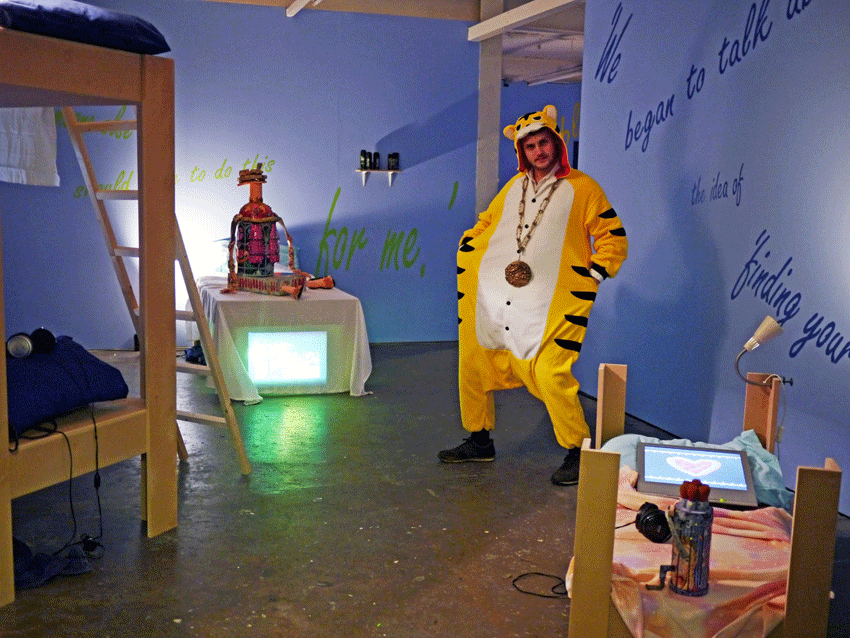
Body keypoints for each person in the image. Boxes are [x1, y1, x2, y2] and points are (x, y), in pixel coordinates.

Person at [439, 104, 628, 485]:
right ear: (521, 152)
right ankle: (479, 440)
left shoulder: (583, 188)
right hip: (497, 301)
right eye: (530, 146)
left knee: (549, 371)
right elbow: (487, 223)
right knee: (475, 364)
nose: (539, 151)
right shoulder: (512, 188)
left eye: (544, 143)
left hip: (551, 305)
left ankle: (578, 449)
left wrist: (593, 273)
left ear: (557, 143)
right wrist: (470, 249)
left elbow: (612, 236)